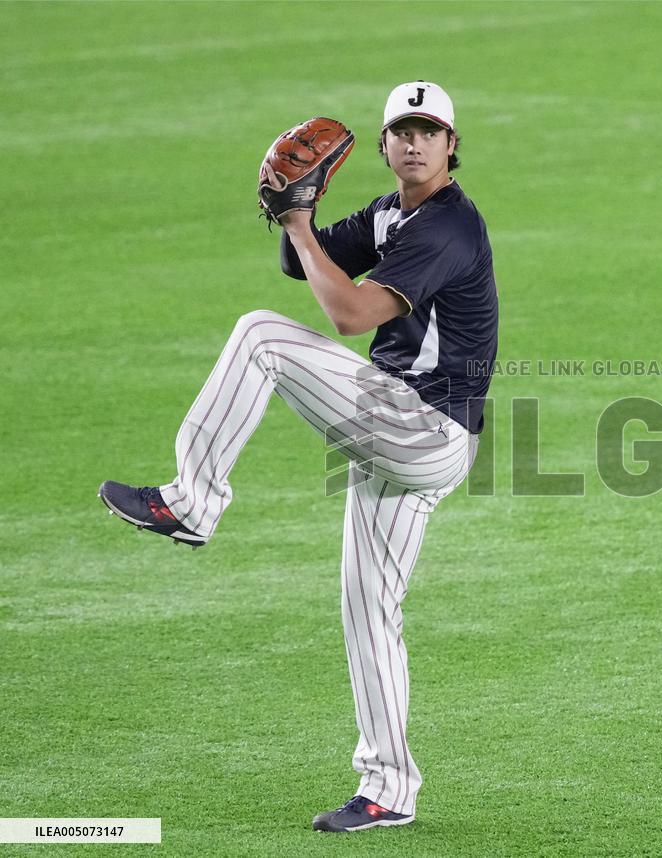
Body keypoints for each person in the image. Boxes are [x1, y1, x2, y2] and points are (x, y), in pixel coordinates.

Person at [98, 80, 499, 833]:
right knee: (368, 611)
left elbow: (346, 313)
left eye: (429, 132)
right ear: (383, 146)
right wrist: (297, 215)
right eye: (401, 131)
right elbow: (299, 263)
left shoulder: (448, 228)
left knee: (261, 336)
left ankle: (191, 502)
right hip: (398, 427)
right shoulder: (388, 211)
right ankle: (389, 790)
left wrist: (302, 224)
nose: (413, 143)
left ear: (452, 147)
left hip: (421, 429)